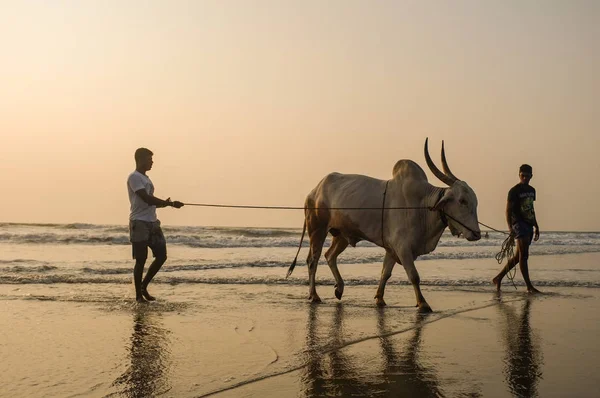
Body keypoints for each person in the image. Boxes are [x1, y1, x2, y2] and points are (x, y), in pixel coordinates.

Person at [127, 148, 184, 302]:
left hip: (152, 222)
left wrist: (167, 204)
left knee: (161, 256)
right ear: (140, 160)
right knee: (141, 260)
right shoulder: (134, 177)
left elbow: (151, 203)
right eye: (149, 159)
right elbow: (145, 198)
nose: (152, 162)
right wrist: (169, 203)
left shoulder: (147, 179)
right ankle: (138, 296)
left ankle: (143, 286)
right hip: (139, 223)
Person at [493, 164, 540, 293]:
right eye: (522, 175)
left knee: (518, 256)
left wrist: (536, 225)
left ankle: (498, 278)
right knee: (524, 256)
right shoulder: (514, 191)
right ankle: (529, 286)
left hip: (529, 224)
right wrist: (510, 228)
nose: (525, 178)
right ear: (519, 175)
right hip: (518, 224)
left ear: (531, 176)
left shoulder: (532, 190)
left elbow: (530, 208)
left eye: (527, 176)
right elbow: (507, 211)